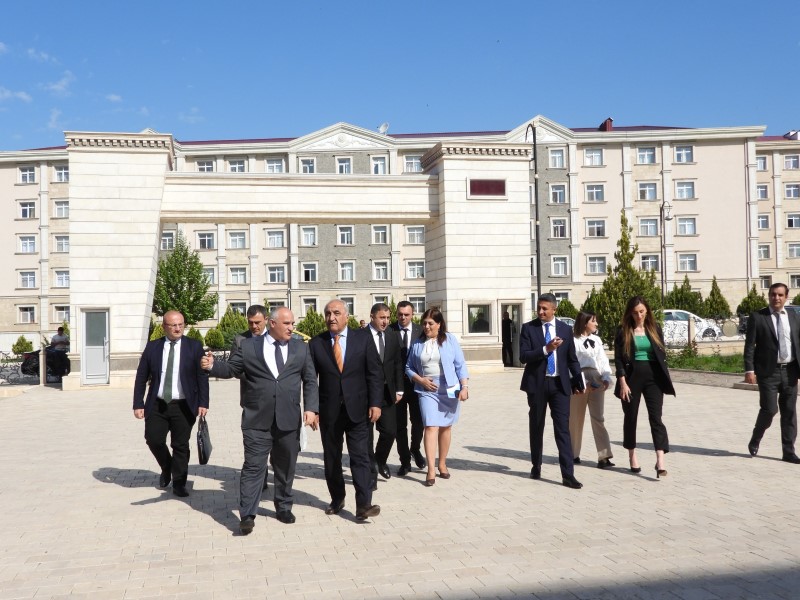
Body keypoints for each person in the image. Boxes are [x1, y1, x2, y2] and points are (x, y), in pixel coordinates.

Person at [202, 307, 319, 533]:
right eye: (287, 324)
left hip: (288, 419)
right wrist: (213, 366)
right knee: (253, 467)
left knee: (285, 467)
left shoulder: (301, 348)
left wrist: (312, 408)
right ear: (273, 324)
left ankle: (283, 506)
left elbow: (310, 380)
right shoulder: (248, 346)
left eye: (292, 323)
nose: (291, 328)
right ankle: (247, 514)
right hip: (257, 419)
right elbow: (232, 369)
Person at [308, 299, 383, 520]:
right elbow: (311, 380)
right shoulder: (317, 343)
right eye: (328, 313)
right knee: (332, 459)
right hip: (329, 412)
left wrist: (376, 403)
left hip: (358, 410)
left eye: (336, 313)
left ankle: (364, 505)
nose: (331, 317)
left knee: (360, 457)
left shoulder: (363, 338)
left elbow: (374, 373)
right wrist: (312, 409)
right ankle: (337, 498)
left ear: (346, 316)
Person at [133, 310, 209, 497]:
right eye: (173, 325)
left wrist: (203, 402)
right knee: (153, 439)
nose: (177, 328)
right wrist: (138, 403)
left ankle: (179, 483)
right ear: (164, 327)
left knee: (180, 445)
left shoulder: (194, 346)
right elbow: (141, 376)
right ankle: (167, 467)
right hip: (157, 404)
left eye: (181, 324)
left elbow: (202, 376)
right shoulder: (153, 347)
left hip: (184, 405)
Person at [519, 293, 585, 489]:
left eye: (544, 309)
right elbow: (523, 356)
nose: (540, 311)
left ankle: (568, 475)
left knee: (562, 429)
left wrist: (579, 380)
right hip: (537, 385)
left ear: (554, 309)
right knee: (536, 425)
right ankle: (536, 465)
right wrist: (546, 349)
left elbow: (572, 359)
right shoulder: (528, 328)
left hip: (560, 386)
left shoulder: (565, 329)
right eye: (539, 308)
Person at [405, 307, 469, 486]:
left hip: (449, 388)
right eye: (424, 323)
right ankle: (431, 469)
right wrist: (420, 380)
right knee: (430, 425)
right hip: (427, 389)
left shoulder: (450, 340)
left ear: (439, 324)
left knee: (446, 427)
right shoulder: (418, 343)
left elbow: (460, 364)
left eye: (430, 323)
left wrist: (464, 387)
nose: (426, 327)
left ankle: (442, 463)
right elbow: (408, 367)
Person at [614, 296, 675, 478]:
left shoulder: (655, 329)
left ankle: (660, 460)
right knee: (631, 417)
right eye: (635, 313)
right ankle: (632, 455)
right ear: (630, 313)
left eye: (641, 311)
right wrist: (622, 381)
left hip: (654, 378)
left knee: (656, 418)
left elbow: (661, 354)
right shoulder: (623, 331)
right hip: (631, 379)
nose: (639, 316)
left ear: (647, 311)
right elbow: (618, 359)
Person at [744, 282, 800, 463]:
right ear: (768, 296)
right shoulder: (758, 317)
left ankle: (788, 452)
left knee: (789, 412)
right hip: (768, 372)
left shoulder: (793, 316)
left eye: (780, 295)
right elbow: (749, 346)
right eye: (773, 294)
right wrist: (749, 369)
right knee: (769, 409)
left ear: (786, 297)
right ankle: (756, 437)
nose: (776, 298)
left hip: (790, 371)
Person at [231, 306, 272, 492]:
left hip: (276, 399)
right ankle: (260, 478)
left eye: (258, 322)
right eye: (250, 323)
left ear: (266, 320)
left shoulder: (275, 337)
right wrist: (255, 375)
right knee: (255, 443)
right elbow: (234, 367)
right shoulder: (241, 339)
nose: (254, 326)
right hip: (252, 399)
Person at [569, 311, 614, 468]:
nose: (596, 324)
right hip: (579, 377)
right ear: (584, 322)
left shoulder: (597, 340)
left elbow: (602, 360)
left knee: (598, 418)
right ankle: (573, 454)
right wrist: (579, 382)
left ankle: (604, 456)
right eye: (593, 321)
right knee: (575, 418)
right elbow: (571, 362)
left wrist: (606, 377)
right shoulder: (573, 340)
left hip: (596, 377)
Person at [366, 303, 404, 486]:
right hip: (366, 394)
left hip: (387, 392)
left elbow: (397, 363)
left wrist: (399, 389)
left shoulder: (392, 335)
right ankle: (371, 474)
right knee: (366, 436)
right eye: (382, 318)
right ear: (372, 316)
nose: (386, 321)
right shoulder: (360, 336)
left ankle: (380, 460)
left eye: (388, 318)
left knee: (390, 431)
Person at [391, 301, 426, 476]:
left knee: (418, 421)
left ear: (412, 315)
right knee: (400, 425)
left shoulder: (421, 331)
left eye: (406, 314)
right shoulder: (390, 331)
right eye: (400, 314)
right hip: (396, 386)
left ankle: (415, 449)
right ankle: (404, 461)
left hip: (417, 384)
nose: (403, 317)